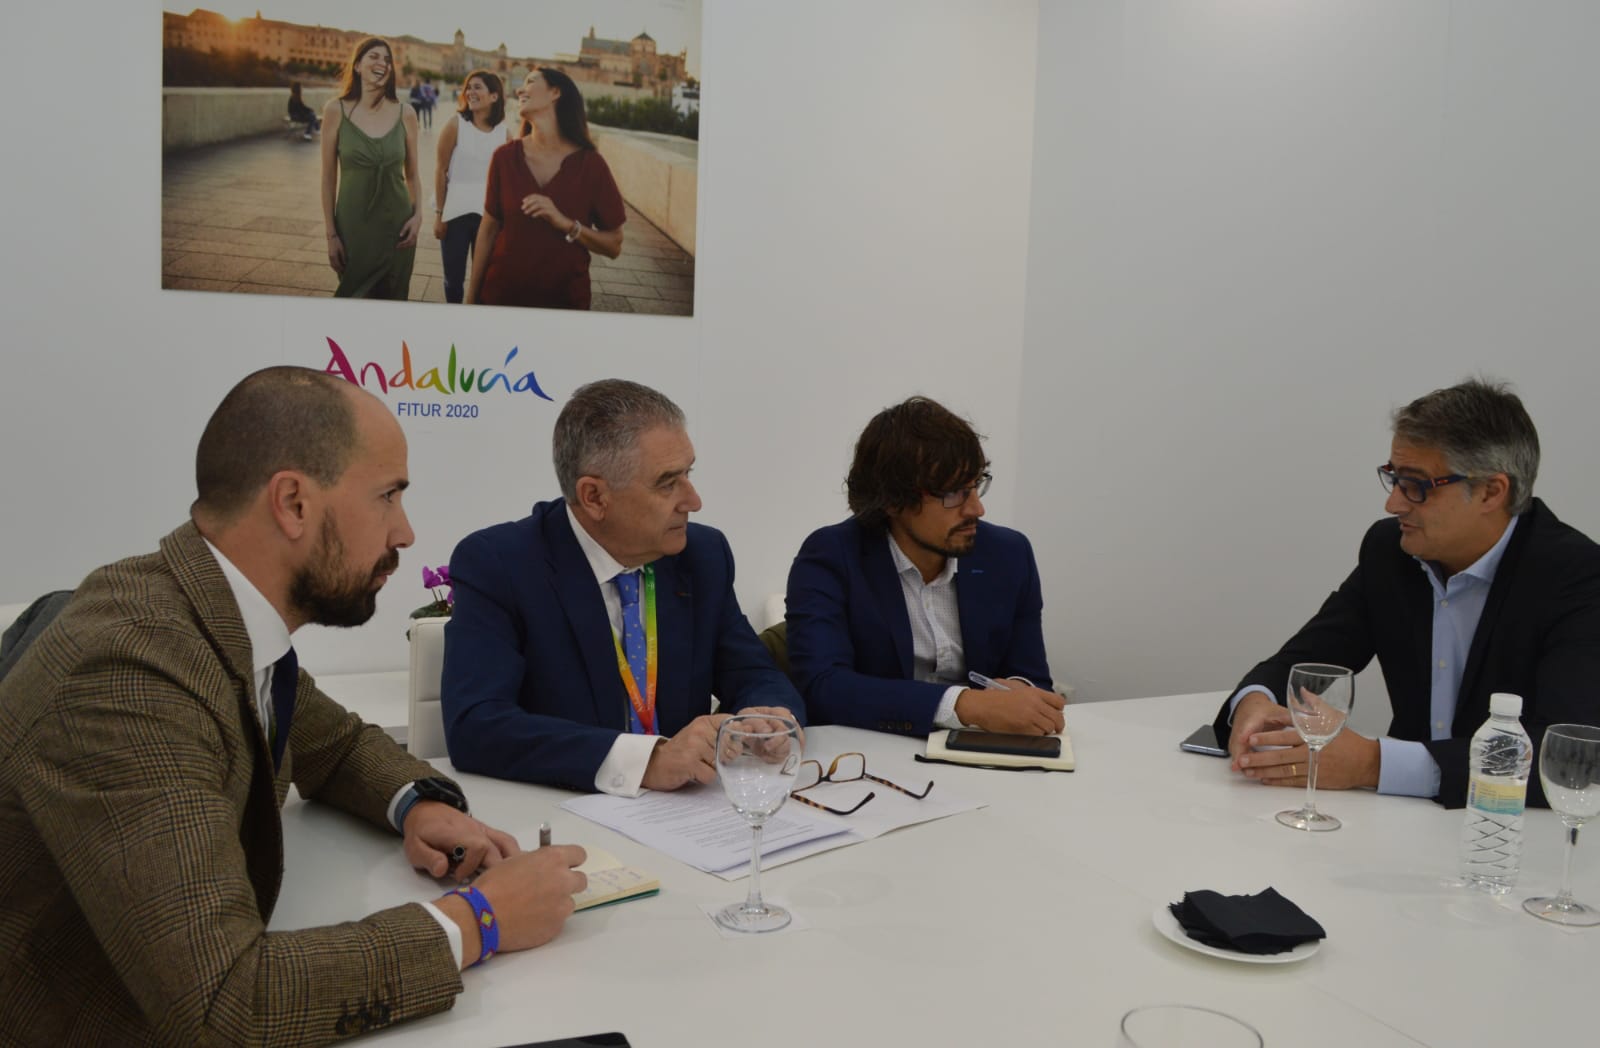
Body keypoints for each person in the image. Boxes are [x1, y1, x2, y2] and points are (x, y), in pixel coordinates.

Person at [0, 367, 587, 1043]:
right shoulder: (129, 675)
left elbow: (333, 743)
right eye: (388, 496)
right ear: (293, 503)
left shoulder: (208, 612)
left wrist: (417, 806)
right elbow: (230, 1004)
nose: (405, 532)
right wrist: (477, 920)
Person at [1216, 378, 1600, 808]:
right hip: (1401, 821)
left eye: (1416, 486)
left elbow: (1573, 755)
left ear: (1491, 492)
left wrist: (1373, 764)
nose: (1394, 504)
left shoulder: (1579, 577)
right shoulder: (1391, 552)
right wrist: (1255, 702)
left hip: (1515, 833)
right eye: (1394, 479)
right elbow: (1305, 662)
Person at [441, 379, 804, 794]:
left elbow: (751, 671)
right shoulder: (501, 564)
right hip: (560, 808)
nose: (693, 500)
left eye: (688, 473)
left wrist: (770, 717)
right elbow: (476, 725)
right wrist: (645, 761)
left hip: (686, 810)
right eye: (667, 483)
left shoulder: (702, 556)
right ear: (594, 497)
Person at [786, 396, 1060, 736]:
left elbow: (1034, 677)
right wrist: (963, 705)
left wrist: (1019, 691)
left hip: (981, 750)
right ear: (892, 500)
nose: (977, 509)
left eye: (977, 484)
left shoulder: (1008, 554)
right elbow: (824, 686)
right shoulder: (831, 556)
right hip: (874, 749)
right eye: (954, 493)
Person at [465, 68, 625, 310]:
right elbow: (487, 231)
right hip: (500, 298)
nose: (520, 90)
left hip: (564, 306)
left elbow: (614, 245)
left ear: (555, 92)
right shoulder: (504, 158)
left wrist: (567, 224)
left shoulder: (591, 165)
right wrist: (470, 300)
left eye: (530, 82)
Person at [321, 38, 422, 299]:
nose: (382, 63)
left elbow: (412, 175)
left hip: (398, 228)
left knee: (394, 302)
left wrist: (418, 217)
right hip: (353, 227)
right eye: (374, 56)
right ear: (357, 66)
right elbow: (328, 178)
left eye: (387, 59)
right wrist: (331, 235)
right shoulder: (335, 110)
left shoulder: (406, 113)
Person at [433, 70, 511, 304]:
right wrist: (439, 214)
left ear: (494, 96)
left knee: (484, 281)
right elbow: (440, 170)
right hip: (455, 215)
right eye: (468, 87)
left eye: (477, 87)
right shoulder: (455, 125)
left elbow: (507, 182)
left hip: (489, 220)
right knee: (453, 281)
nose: (470, 92)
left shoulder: (505, 134)